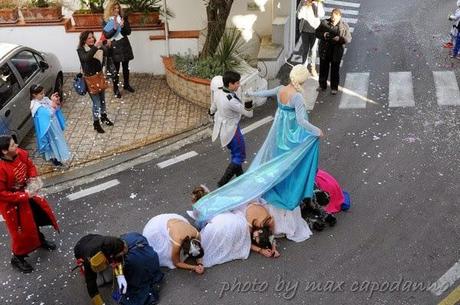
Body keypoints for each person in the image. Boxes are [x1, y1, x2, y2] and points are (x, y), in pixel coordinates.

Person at [193, 65, 323, 223]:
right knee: (289, 163)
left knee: (275, 162)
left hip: (278, 133)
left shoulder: (281, 89)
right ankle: (287, 190)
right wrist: (317, 131)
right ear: (302, 80)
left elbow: (265, 93)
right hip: (291, 134)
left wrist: (251, 93)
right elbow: (302, 121)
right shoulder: (297, 97)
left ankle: (258, 184)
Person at [0, 135, 59, 273]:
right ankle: (18, 257)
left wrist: (32, 179)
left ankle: (39, 240)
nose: (17, 146)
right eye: (13, 145)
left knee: (36, 219)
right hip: (13, 205)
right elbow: (2, 194)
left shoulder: (20, 153)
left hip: (28, 196)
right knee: (20, 233)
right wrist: (23, 195)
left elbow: (30, 165)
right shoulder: (1, 169)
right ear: (4, 151)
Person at [210, 71, 253, 187]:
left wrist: (211, 113)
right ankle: (222, 184)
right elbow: (249, 114)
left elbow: (213, 107)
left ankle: (242, 180)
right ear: (230, 84)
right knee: (239, 156)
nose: (239, 85)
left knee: (236, 155)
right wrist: (249, 99)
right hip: (233, 132)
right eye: (237, 83)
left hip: (223, 130)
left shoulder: (219, 92)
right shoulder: (231, 101)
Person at [189, 185, 251, 267]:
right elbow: (234, 202)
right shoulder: (219, 198)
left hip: (216, 225)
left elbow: (200, 224)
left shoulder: (199, 209)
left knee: (209, 240)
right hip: (234, 221)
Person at [74, 234, 128, 305]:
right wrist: (99, 303)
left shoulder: (114, 244)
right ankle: (99, 268)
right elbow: (90, 281)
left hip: (91, 240)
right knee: (100, 282)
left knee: (108, 279)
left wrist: (120, 275)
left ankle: (103, 267)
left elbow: (118, 258)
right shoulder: (89, 259)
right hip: (83, 250)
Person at [77, 30, 114, 134]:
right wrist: (95, 47)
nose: (92, 39)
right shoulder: (81, 50)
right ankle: (96, 123)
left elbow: (107, 53)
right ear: (84, 40)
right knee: (96, 103)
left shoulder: (97, 47)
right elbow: (86, 58)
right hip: (90, 79)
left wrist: (107, 46)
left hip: (99, 76)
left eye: (92, 37)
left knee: (102, 100)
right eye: (89, 38)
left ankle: (104, 117)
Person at [30, 85, 70, 167]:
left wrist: (54, 101)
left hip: (53, 124)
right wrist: (54, 103)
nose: (43, 95)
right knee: (53, 142)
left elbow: (52, 105)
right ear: (34, 95)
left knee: (58, 140)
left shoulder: (44, 99)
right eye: (41, 94)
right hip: (48, 128)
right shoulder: (36, 106)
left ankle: (59, 156)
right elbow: (49, 114)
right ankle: (55, 159)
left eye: (43, 93)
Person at [315, 8, 352, 95]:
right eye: (332, 17)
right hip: (325, 50)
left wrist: (340, 39)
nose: (332, 19)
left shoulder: (344, 26)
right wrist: (323, 35)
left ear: (339, 17)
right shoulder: (324, 23)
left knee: (335, 70)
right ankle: (322, 85)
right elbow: (316, 33)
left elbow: (348, 38)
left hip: (336, 52)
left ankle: (334, 88)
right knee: (323, 69)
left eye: (334, 18)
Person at [103, 0, 135, 98]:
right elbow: (106, 35)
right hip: (114, 46)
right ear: (110, 9)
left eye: (118, 8)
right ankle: (116, 89)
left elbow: (128, 32)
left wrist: (123, 26)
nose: (117, 10)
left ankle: (126, 85)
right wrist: (115, 28)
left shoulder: (123, 18)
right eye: (114, 8)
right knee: (115, 69)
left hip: (124, 44)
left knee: (126, 67)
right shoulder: (106, 20)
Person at [297, 0, 325, 76]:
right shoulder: (303, 2)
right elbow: (299, 16)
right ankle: (304, 69)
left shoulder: (317, 3)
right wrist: (303, 6)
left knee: (313, 50)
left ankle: (313, 68)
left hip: (315, 31)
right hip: (305, 31)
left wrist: (318, 4)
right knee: (305, 50)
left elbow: (321, 15)